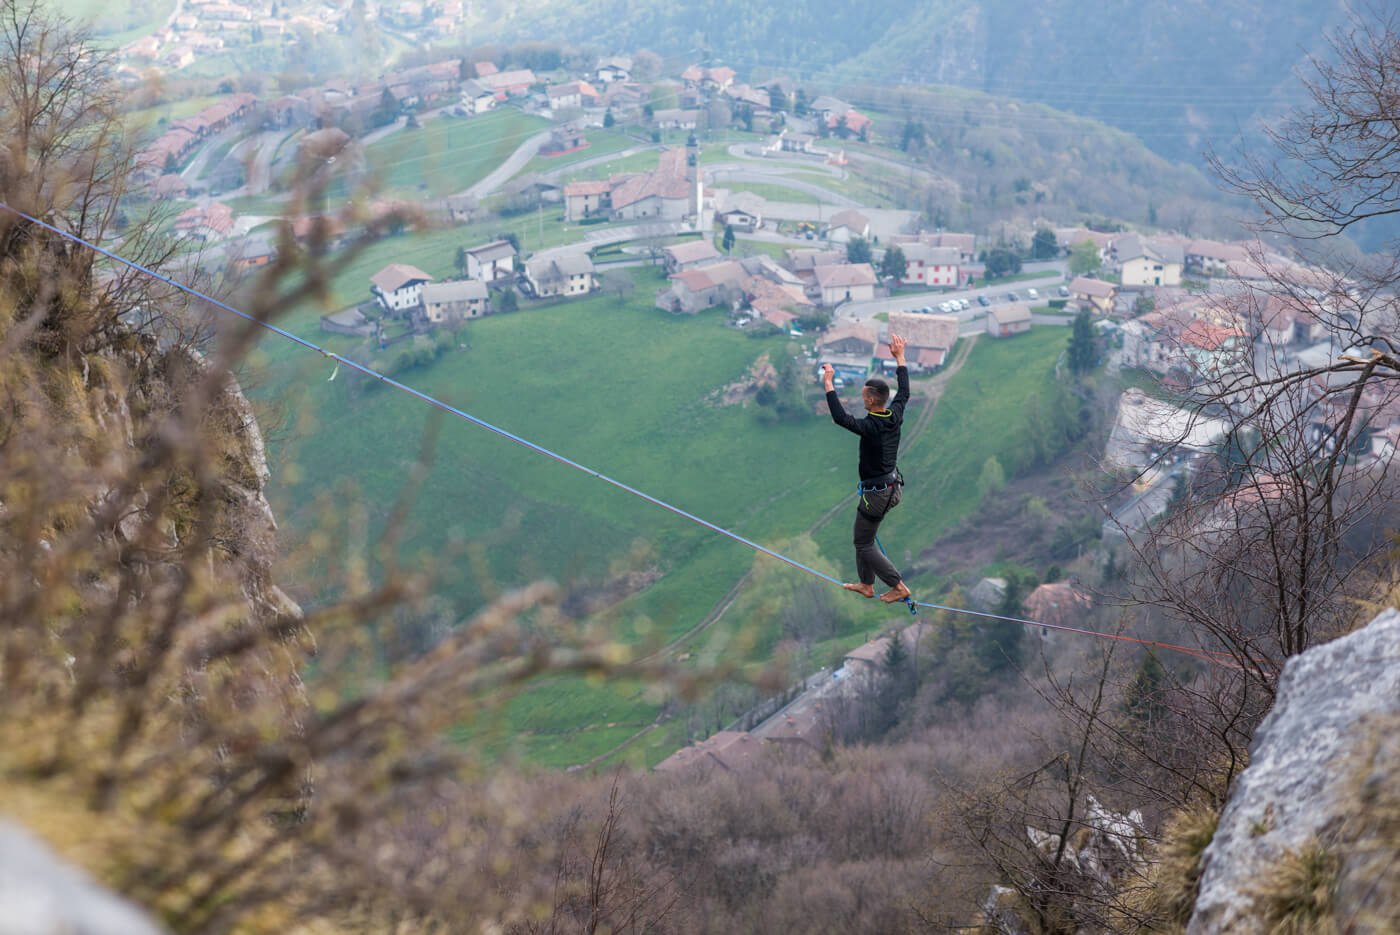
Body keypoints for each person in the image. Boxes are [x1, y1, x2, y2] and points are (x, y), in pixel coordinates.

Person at [821, 334, 912, 604]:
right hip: (890, 488)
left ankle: (897, 585)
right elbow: (904, 391)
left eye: (864, 397)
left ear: (873, 401)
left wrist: (828, 384)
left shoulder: (870, 427)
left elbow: (840, 417)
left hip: (878, 494)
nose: (862, 399)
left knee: (863, 543)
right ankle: (866, 584)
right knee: (864, 538)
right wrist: (900, 358)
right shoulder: (894, 416)